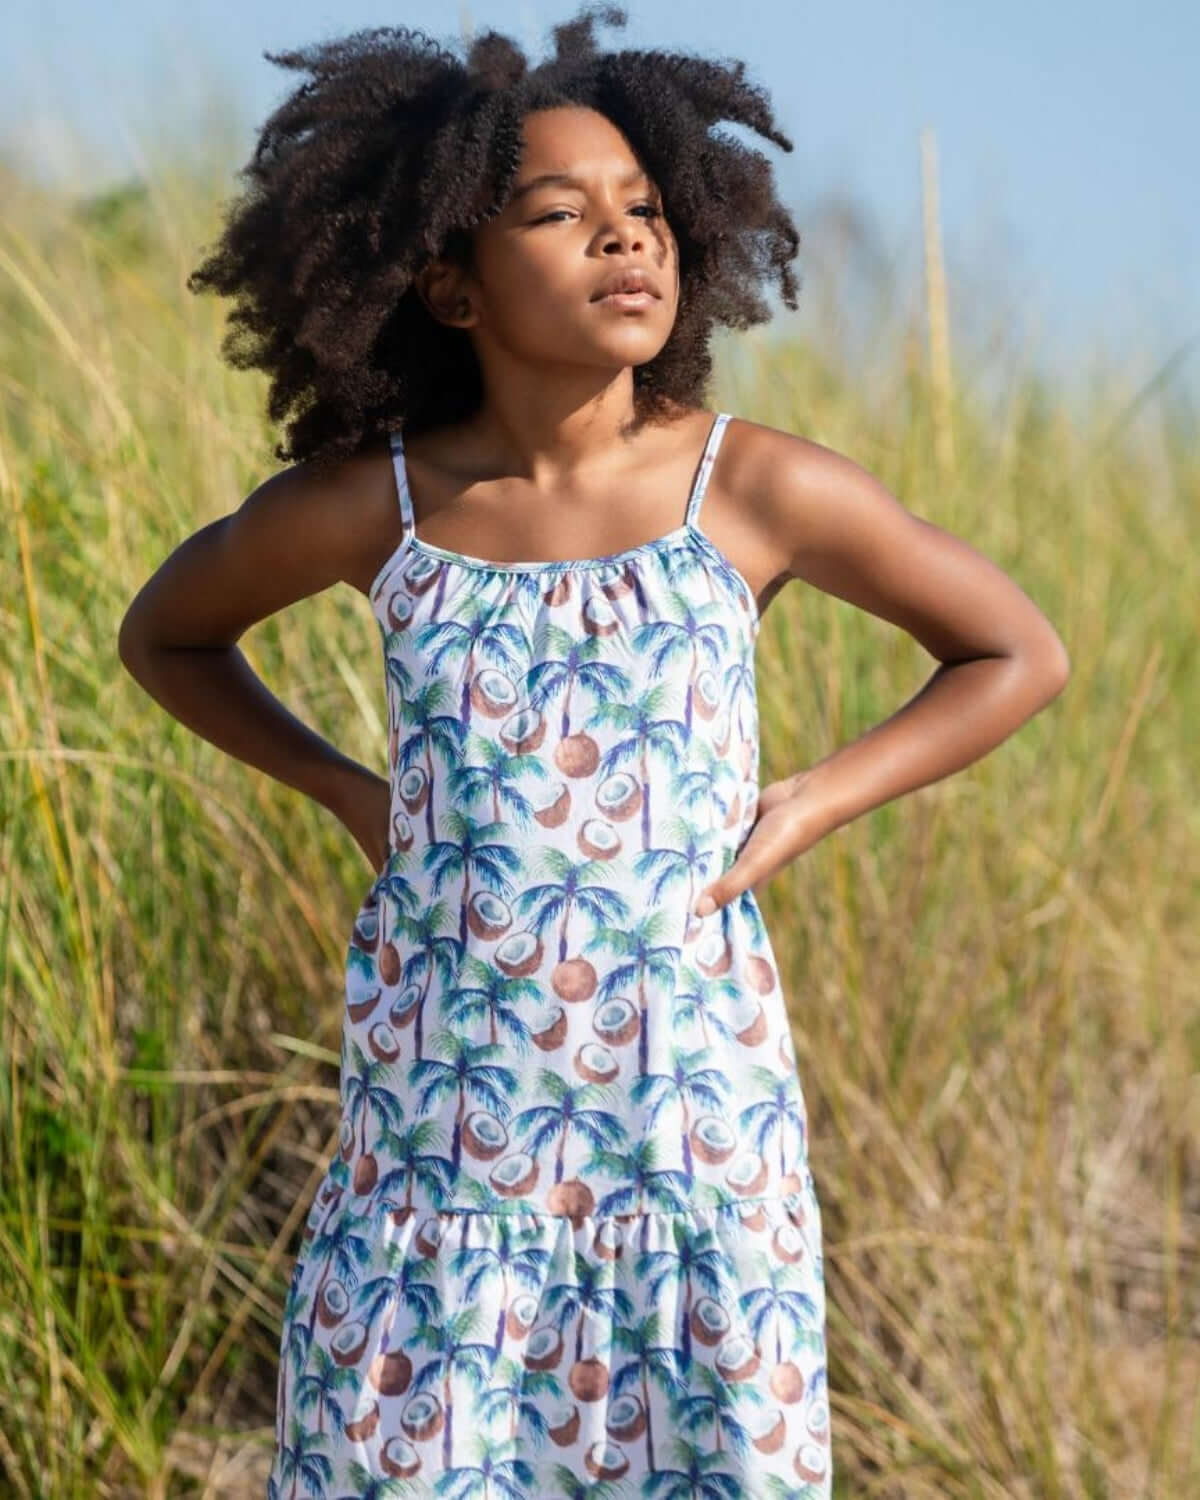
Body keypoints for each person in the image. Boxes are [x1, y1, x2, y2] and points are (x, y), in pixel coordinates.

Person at [117, 8, 1070, 1496]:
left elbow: (1016, 651)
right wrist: (345, 788)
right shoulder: (388, 510)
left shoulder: (747, 487)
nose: (624, 241)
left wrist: (813, 799)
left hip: (683, 1140)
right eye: (562, 215)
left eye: (644, 212)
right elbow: (166, 633)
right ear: (449, 283)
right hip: (445, 1145)